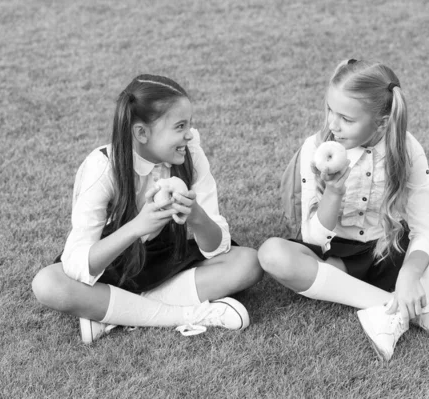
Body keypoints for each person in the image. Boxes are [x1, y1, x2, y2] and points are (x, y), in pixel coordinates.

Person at [258, 59, 429, 361]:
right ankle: (405, 309)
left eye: (346, 118)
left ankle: (403, 299)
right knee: (272, 254)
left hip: (395, 245)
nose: (333, 124)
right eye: (330, 110)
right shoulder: (315, 147)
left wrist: (410, 274)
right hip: (341, 260)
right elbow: (313, 238)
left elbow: (423, 229)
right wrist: (333, 191)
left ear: (381, 123)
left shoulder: (407, 149)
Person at [32, 75, 262, 343]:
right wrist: (136, 227)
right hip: (114, 263)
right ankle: (191, 314)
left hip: (167, 257)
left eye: (189, 124)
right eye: (179, 126)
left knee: (248, 263)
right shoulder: (103, 167)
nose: (189, 134)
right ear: (141, 133)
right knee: (48, 284)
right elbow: (77, 264)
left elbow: (217, 247)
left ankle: (114, 313)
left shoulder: (191, 154)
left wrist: (196, 215)